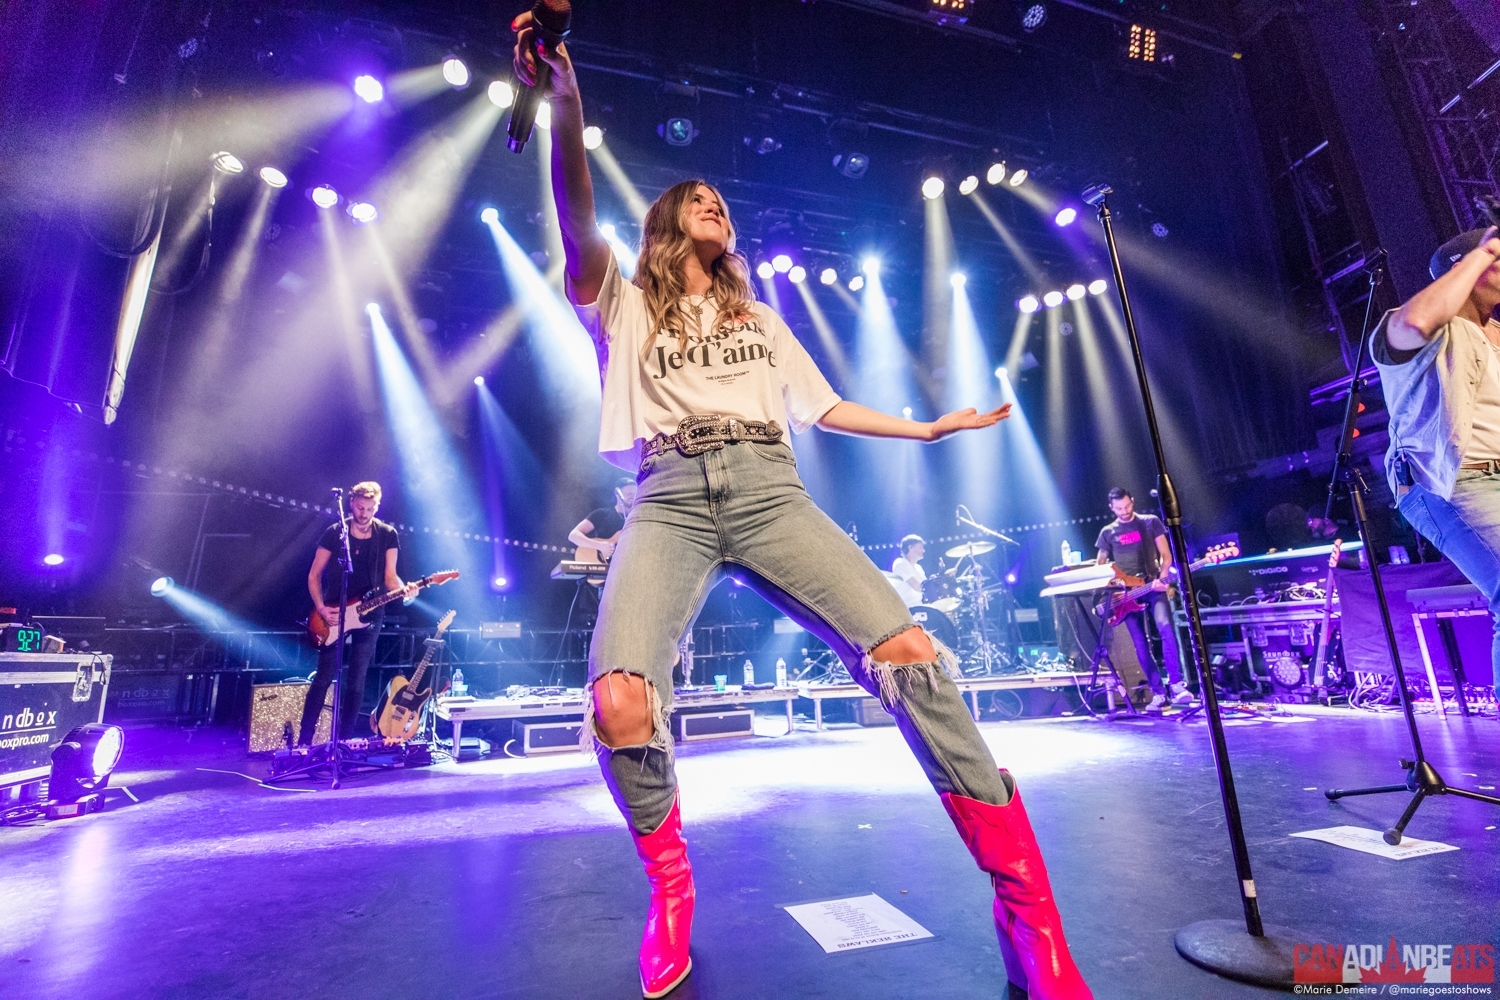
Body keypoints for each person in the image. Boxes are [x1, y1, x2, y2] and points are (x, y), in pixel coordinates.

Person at [513, 14, 1092, 1000]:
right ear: (666, 224)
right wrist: (565, 97)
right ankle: (670, 890)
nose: (715, 202)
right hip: (668, 495)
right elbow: (574, 213)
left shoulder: (763, 320)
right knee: (619, 702)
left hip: (769, 487)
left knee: (912, 659)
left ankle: (1028, 914)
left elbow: (826, 407)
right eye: (696, 197)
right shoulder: (622, 301)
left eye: (722, 200)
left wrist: (928, 429)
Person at [1374, 225, 1500, 701]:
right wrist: (1483, 252)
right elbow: (1414, 323)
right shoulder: (1426, 327)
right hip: (1449, 483)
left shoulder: (1496, 336)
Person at [300, 482, 414, 744]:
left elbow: (390, 577)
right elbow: (314, 575)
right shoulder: (334, 532)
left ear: (377, 507)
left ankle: (344, 741)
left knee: (357, 679)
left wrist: (407, 591)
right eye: (361, 508)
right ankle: (305, 741)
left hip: (370, 613)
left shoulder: (387, 534)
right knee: (324, 677)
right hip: (334, 612)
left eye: (370, 509)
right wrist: (321, 608)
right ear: (352, 504)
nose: (364, 514)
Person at [1095, 487, 1192, 712]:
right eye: (1119, 508)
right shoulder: (1107, 532)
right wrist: (1110, 588)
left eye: (1127, 506)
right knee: (1140, 643)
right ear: (1111, 508)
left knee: (1165, 627)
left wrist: (1163, 578)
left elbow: (1166, 555)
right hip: (1126, 595)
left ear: (1133, 501)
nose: (1124, 511)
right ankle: (1158, 693)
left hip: (1152, 585)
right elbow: (1100, 567)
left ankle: (1177, 684)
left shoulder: (1150, 522)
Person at [568, 478, 638, 562]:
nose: (633, 497)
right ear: (617, 494)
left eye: (635, 494)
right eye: (629, 493)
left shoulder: (638, 518)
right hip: (602, 564)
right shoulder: (601, 514)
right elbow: (573, 535)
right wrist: (599, 546)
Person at [889, 534, 927, 607]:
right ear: (910, 547)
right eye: (920, 547)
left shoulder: (919, 568)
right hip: (905, 608)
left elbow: (926, 587)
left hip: (918, 606)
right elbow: (917, 586)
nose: (923, 550)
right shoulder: (900, 563)